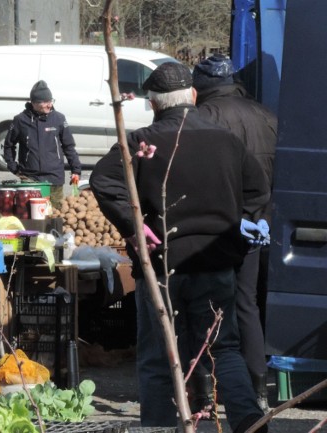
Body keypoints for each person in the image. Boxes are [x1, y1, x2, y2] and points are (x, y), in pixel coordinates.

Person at [89, 62, 270, 433]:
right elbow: (258, 189)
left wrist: (133, 223)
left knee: (158, 359)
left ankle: (158, 428)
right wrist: (243, 222)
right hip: (215, 263)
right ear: (193, 96)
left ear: (153, 105)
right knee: (224, 351)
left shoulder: (142, 141)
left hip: (161, 267)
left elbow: (102, 180)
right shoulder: (226, 141)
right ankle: (249, 422)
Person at [193, 54, 278, 412]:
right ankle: (257, 384)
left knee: (208, 306)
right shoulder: (267, 116)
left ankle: (210, 389)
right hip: (257, 223)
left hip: (215, 226)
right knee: (247, 302)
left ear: (201, 87)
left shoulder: (202, 118)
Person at [3, 80, 81, 208]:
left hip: (54, 177)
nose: (49, 105)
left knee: (54, 214)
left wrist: (76, 170)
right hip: (30, 178)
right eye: (44, 102)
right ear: (33, 103)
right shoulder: (20, 120)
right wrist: (13, 166)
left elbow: (69, 146)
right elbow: (8, 145)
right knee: (31, 214)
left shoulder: (59, 119)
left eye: (50, 101)